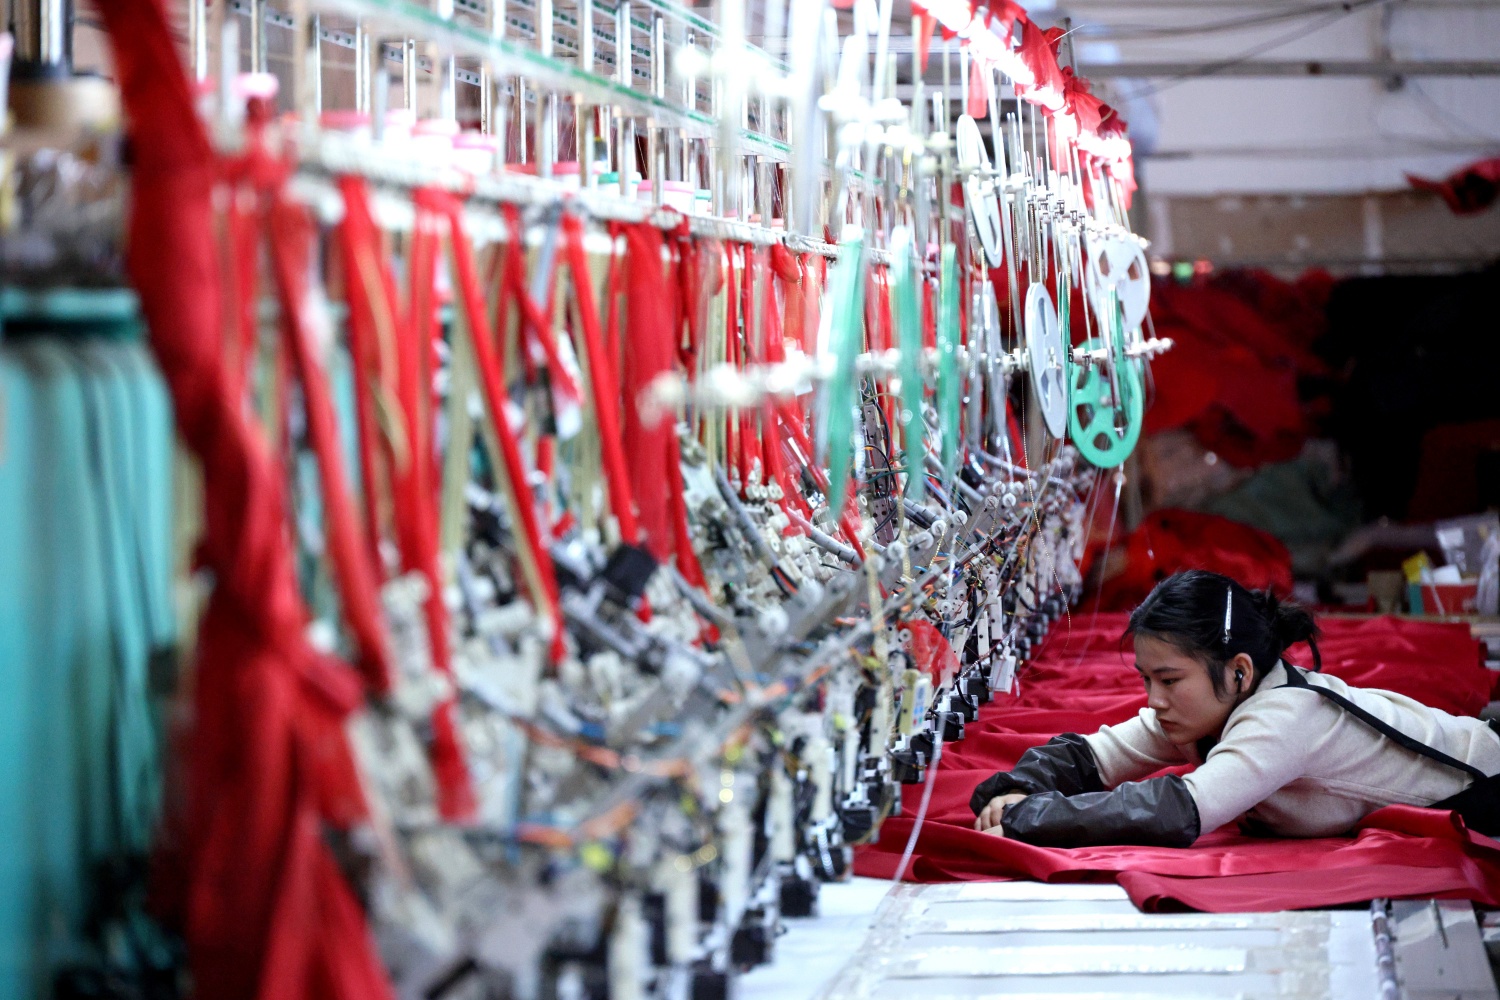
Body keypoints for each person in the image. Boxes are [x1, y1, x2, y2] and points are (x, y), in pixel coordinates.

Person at [970, 569, 1500, 847]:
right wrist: (1016, 788)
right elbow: (1094, 755)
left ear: (1239, 671)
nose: (1154, 700)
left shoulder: (1286, 719)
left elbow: (1178, 810)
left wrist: (1029, 817)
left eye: (1170, 680)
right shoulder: (1206, 708)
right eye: (1147, 680)